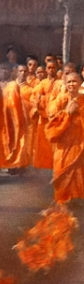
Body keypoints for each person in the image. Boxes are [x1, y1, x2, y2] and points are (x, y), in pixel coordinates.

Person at [45, 70, 84, 203]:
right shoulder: (60, 100)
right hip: (63, 144)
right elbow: (52, 123)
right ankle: (62, 200)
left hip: (79, 144)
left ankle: (77, 199)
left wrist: (79, 112)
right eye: (69, 82)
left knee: (79, 172)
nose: (72, 84)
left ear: (80, 83)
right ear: (65, 84)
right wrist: (67, 113)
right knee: (62, 171)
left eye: (74, 81)